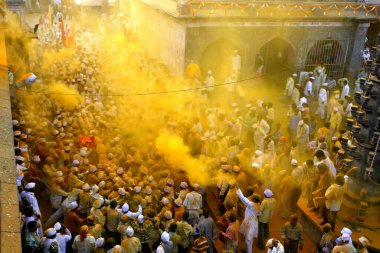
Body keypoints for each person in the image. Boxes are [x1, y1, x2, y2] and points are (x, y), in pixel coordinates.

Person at [236, 188, 260, 253]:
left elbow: (245, 200)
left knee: (249, 241)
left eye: (252, 198)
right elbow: (259, 213)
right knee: (248, 240)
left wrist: (238, 192)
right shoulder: (258, 204)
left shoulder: (252, 205)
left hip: (250, 225)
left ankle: (249, 251)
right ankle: (247, 250)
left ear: (254, 200)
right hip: (251, 222)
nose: (251, 199)